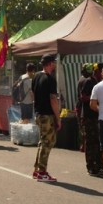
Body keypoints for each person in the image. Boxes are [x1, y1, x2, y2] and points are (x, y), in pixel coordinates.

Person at [32, 54, 61, 182]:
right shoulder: (50, 78)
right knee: (47, 142)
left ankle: (37, 170)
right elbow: (53, 99)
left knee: (43, 141)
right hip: (47, 114)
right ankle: (42, 172)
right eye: (53, 62)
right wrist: (58, 117)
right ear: (49, 64)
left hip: (39, 113)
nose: (54, 64)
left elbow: (34, 94)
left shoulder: (36, 76)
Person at [80, 62, 103, 176]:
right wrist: (94, 99)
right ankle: (91, 166)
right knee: (91, 142)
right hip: (89, 116)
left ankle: (100, 166)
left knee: (99, 142)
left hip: (99, 116)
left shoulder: (100, 83)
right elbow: (83, 97)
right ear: (97, 71)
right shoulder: (89, 81)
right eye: (102, 72)